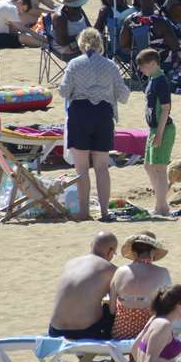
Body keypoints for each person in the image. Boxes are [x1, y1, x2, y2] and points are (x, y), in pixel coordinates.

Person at [60, 27, 129, 221]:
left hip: (80, 113)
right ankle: (105, 212)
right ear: (100, 45)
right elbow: (123, 95)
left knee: (81, 168)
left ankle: (84, 212)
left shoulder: (74, 64)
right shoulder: (110, 66)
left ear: (82, 44)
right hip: (103, 115)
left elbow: (64, 92)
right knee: (101, 167)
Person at [49, 231, 119, 339]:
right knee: (115, 310)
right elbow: (116, 303)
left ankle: (84, 356)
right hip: (86, 331)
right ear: (110, 251)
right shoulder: (111, 269)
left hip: (55, 330)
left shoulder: (71, 263)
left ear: (91, 246)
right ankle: (116, 355)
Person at [110, 232, 172, 340]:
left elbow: (112, 310)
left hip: (121, 334)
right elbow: (168, 307)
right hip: (149, 334)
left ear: (133, 253)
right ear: (153, 251)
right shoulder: (162, 273)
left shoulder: (120, 272)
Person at [136, 48, 174, 218]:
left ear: (153, 64)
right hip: (154, 128)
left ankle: (161, 208)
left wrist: (159, 133)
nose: (141, 70)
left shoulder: (161, 81)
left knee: (159, 169)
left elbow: (166, 109)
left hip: (163, 129)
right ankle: (162, 204)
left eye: (143, 66)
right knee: (148, 166)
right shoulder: (152, 79)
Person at [134, 283, 181, 362]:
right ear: (179, 305)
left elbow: (134, 348)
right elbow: (150, 359)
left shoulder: (155, 319)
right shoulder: (164, 326)